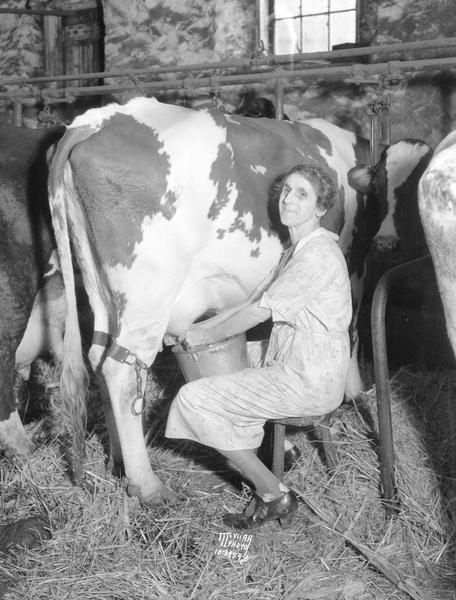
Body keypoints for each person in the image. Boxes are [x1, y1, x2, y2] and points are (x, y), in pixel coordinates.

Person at [165, 164, 352, 529]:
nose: (289, 199)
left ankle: (272, 492)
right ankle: (258, 439)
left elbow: (259, 312)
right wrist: (194, 328)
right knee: (225, 362)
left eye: (302, 194)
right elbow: (249, 302)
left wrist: (205, 337)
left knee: (192, 398)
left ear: (319, 208)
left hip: (310, 377)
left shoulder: (317, 256)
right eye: (286, 190)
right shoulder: (293, 251)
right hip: (293, 357)